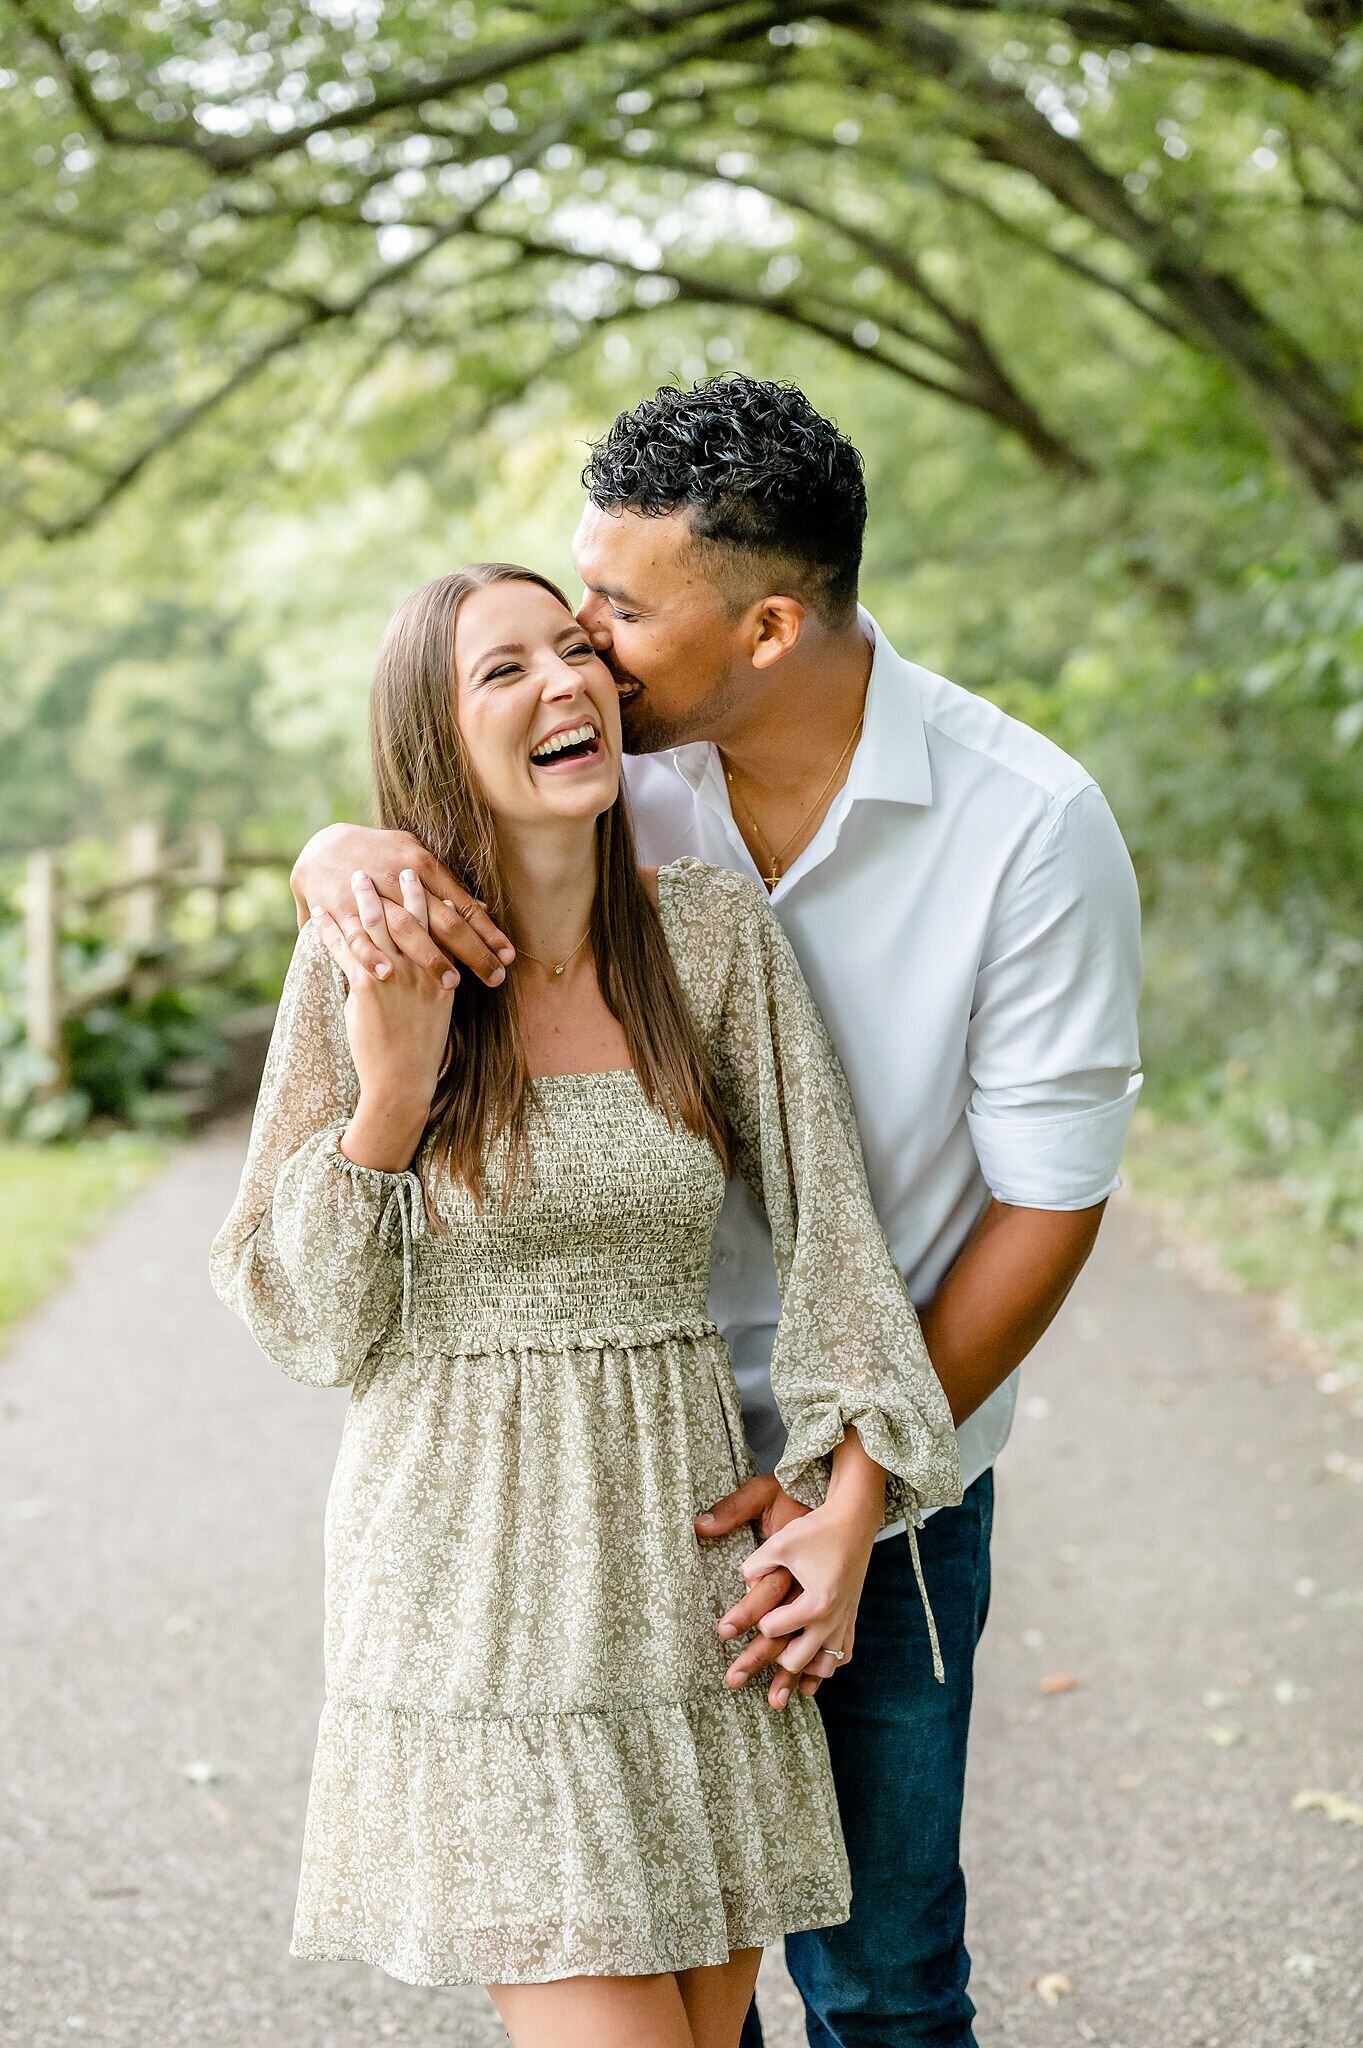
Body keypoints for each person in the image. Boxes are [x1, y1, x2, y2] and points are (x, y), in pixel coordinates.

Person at [292, 377, 1144, 2048]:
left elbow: (1048, 1203)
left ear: (766, 626)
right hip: (587, 1501)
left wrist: (851, 1488)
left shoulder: (1026, 825)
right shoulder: (615, 781)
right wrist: (334, 851)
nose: (586, 653)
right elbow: (437, 790)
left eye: (615, 610)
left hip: (878, 1465)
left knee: (886, 1979)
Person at [212, 560, 963, 2048]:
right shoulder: (363, 954)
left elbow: (836, 1243)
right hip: (473, 1600)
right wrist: (394, 1092)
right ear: (436, 738)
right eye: (505, 670)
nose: (568, 683)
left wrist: (851, 1507)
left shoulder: (706, 936)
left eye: (575, 652)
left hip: (685, 1592)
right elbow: (311, 1322)